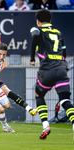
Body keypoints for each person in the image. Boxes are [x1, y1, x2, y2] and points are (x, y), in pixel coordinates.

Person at [30, 9, 74, 140]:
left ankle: (45, 125)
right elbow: (64, 53)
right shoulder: (58, 33)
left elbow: (34, 36)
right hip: (61, 70)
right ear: (50, 20)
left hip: (47, 70)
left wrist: (32, 57)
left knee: (39, 95)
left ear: (38, 21)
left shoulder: (37, 30)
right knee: (65, 100)